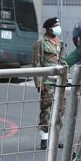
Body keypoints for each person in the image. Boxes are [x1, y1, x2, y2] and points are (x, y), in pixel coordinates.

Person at [33, 17, 65, 149]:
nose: (57, 28)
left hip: (59, 80)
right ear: (48, 28)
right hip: (47, 81)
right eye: (55, 26)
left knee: (60, 109)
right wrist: (39, 82)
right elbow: (37, 63)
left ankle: (55, 138)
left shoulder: (60, 42)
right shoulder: (41, 42)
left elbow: (62, 60)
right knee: (46, 109)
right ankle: (44, 139)